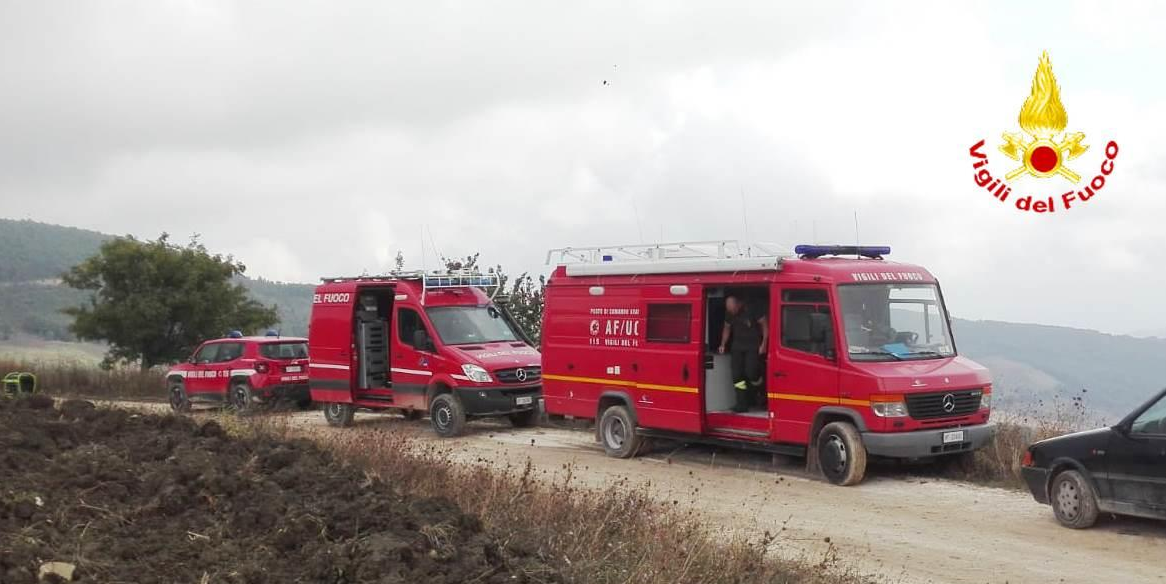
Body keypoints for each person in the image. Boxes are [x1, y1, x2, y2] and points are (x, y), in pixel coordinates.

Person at [718, 295, 768, 413]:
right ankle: (742, 404)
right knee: (737, 376)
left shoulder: (752, 308)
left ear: (737, 304)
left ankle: (761, 390)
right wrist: (723, 344)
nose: (731, 312)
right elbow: (727, 328)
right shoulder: (730, 313)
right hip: (737, 347)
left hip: (753, 346)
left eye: (732, 309)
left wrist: (764, 344)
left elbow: (764, 325)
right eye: (729, 310)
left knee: (751, 373)